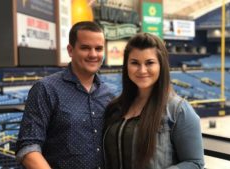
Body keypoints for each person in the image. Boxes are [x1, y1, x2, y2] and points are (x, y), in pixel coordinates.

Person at [16, 21, 114, 169]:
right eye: (85, 48)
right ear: (70, 50)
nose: (93, 54)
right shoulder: (46, 89)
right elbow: (28, 147)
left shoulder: (109, 94)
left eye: (98, 48)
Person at [103, 32, 204, 169]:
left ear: (161, 65)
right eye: (134, 63)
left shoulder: (178, 110)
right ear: (126, 66)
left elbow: (195, 163)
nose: (142, 70)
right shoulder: (116, 107)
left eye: (149, 63)